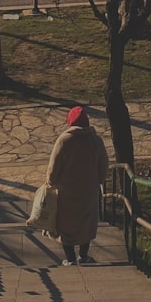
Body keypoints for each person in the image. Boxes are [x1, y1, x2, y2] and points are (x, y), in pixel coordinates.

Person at [46, 105, 109, 265]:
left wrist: (50, 182)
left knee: (66, 223)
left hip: (66, 191)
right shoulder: (96, 141)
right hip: (88, 191)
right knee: (86, 222)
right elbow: (103, 166)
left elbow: (53, 168)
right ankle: (84, 255)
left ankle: (70, 259)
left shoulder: (64, 140)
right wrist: (99, 181)